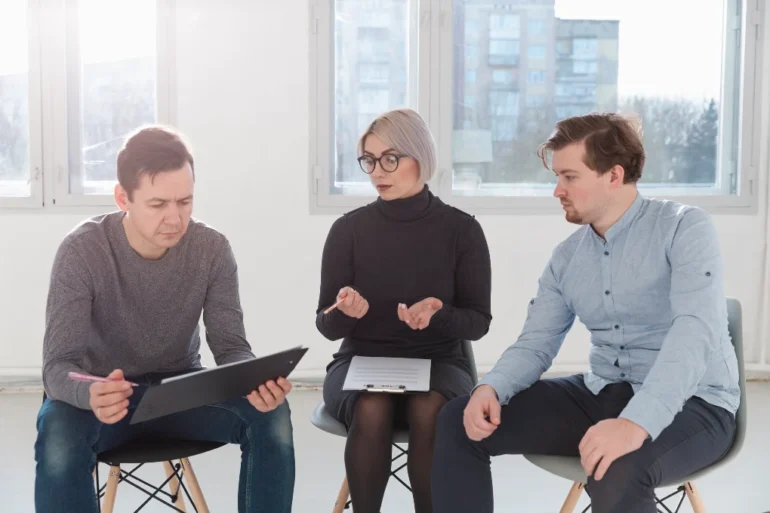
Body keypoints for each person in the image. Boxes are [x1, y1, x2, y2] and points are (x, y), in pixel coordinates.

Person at [432, 113, 740, 513]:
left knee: (617, 466)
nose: (557, 190)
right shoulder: (567, 258)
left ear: (613, 175)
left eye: (570, 177)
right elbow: (536, 344)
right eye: (557, 177)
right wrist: (491, 388)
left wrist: (637, 423)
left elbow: (695, 332)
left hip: (695, 402)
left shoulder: (684, 228)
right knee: (459, 420)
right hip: (606, 391)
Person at [34, 125, 295, 513]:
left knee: (271, 413)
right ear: (123, 198)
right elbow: (58, 367)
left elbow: (231, 347)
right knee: (57, 434)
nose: (175, 218)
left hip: (179, 391)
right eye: (158, 205)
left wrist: (254, 380)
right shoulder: (82, 251)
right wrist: (89, 393)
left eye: (185, 202)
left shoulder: (212, 249)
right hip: (103, 395)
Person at [316, 108, 492, 513]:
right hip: (359, 362)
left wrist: (439, 314)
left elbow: (478, 322)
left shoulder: (462, 230)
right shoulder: (348, 230)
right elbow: (326, 326)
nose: (379, 170)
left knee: (428, 407)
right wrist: (345, 312)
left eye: (391, 158)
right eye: (370, 160)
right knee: (372, 407)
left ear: (421, 157)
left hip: (440, 363)